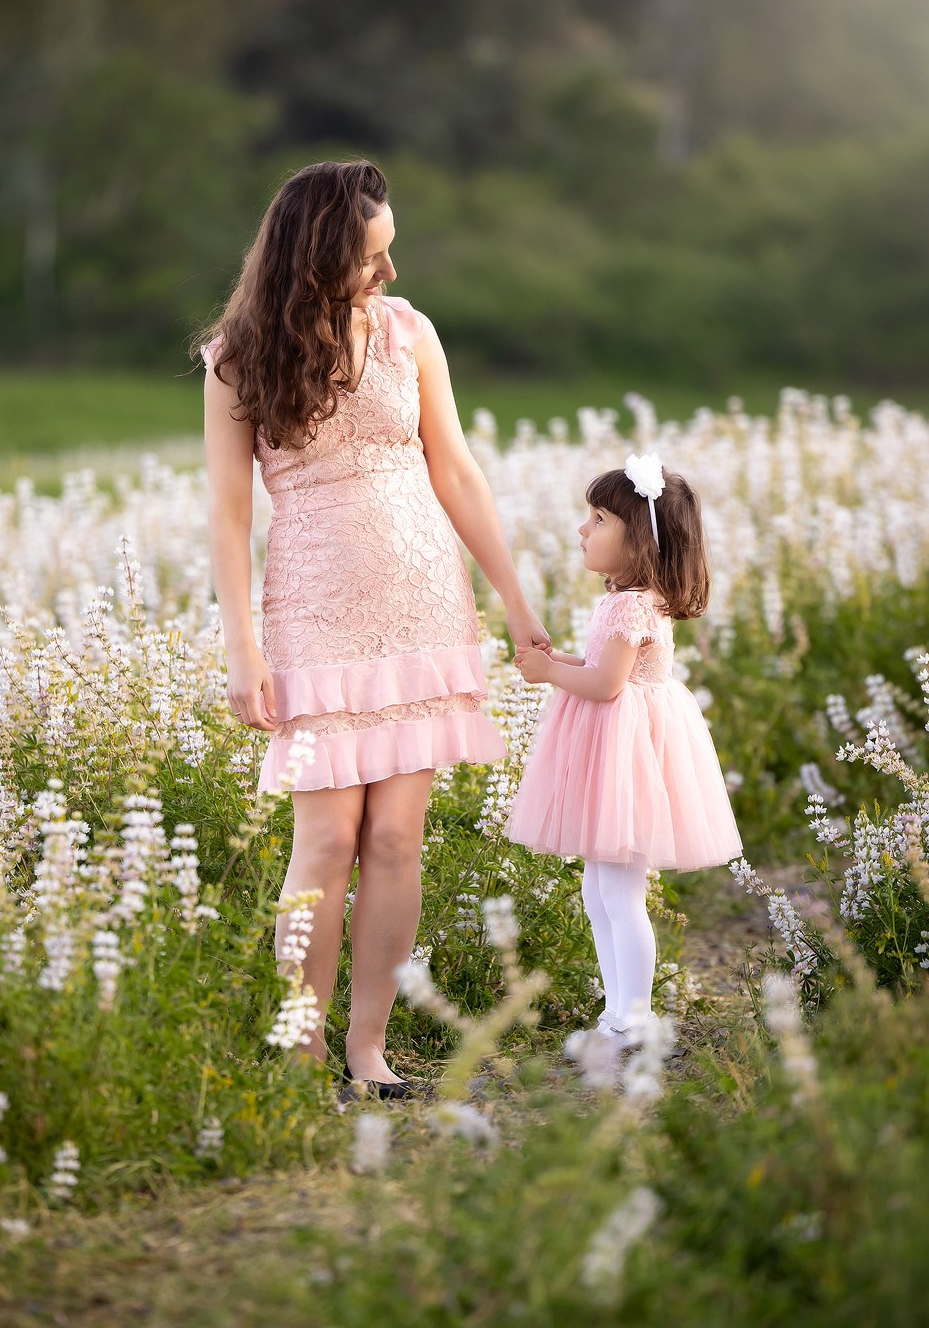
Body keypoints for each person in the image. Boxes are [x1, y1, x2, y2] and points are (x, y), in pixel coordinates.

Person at [201, 159, 552, 1099]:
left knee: (396, 841)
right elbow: (228, 516)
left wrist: (516, 606)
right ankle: (298, 1052)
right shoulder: (239, 355)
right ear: (315, 256)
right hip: (312, 612)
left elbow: (460, 473)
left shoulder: (409, 333)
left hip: (424, 603)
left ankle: (366, 1051)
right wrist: (244, 648)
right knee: (323, 842)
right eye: (370, 258)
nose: (389, 275)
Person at [504, 453, 742, 1039]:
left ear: (639, 539)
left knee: (618, 890)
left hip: (625, 753)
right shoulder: (634, 599)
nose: (583, 530)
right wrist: (562, 660)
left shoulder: (630, 603)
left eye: (599, 520)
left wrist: (548, 674)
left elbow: (607, 685)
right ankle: (618, 1012)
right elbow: (605, 667)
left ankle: (632, 1019)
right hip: (621, 746)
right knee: (601, 888)